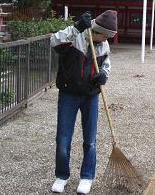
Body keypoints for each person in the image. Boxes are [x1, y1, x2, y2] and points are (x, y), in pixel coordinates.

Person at [50, 10, 117, 194]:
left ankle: (87, 177)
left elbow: (106, 65)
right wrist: (76, 27)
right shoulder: (77, 35)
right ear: (98, 30)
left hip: (91, 95)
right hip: (68, 93)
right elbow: (54, 41)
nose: (106, 40)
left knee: (90, 140)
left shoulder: (104, 46)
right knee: (63, 138)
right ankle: (62, 175)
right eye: (106, 36)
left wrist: (103, 75)